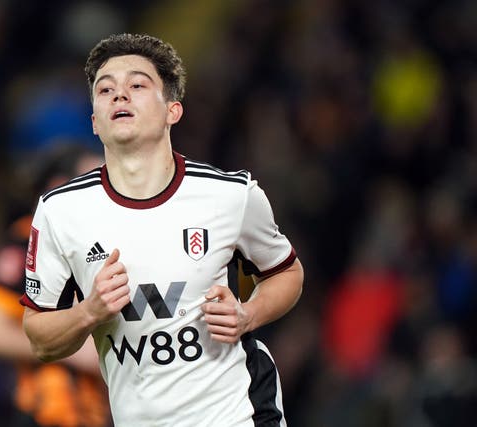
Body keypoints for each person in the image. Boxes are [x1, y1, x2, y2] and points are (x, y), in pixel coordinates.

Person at [20, 33, 304, 427]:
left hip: (237, 414)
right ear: (94, 123)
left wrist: (248, 313)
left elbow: (287, 272)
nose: (119, 96)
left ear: (173, 110)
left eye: (137, 85)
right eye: (106, 90)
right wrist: (88, 312)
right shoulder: (60, 211)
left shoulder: (231, 196)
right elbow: (39, 337)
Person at [0, 142, 113, 427]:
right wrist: (67, 348)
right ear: (60, 186)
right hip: (47, 412)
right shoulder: (28, 240)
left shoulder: (96, 246)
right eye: (93, 182)